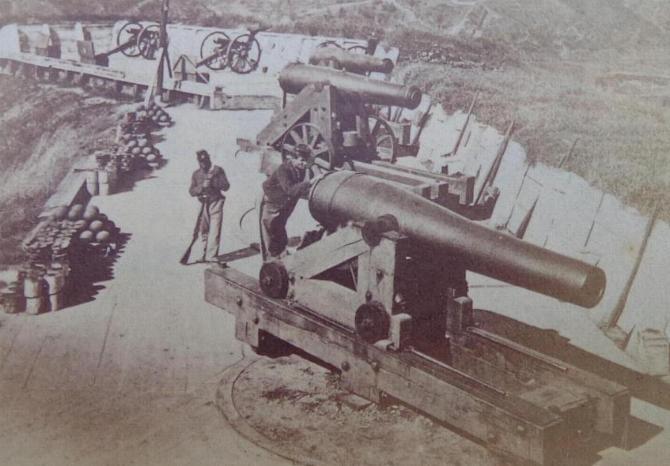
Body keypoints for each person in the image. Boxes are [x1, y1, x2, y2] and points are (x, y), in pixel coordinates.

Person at [260, 145, 312, 260]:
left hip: (285, 202)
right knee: (269, 227)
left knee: (280, 225)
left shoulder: (299, 169)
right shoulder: (283, 169)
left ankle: (281, 252)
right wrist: (309, 183)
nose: (305, 164)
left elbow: (296, 189)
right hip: (272, 201)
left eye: (306, 161)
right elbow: (290, 189)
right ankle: (271, 258)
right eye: (302, 160)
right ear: (292, 158)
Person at [188, 150, 230, 262]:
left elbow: (226, 186)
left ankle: (212, 256)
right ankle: (203, 255)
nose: (204, 164)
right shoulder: (196, 174)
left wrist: (213, 182)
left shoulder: (217, 170)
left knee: (215, 230)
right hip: (202, 203)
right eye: (201, 161)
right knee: (203, 230)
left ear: (209, 159)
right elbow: (191, 191)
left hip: (216, 202)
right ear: (198, 162)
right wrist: (201, 187)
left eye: (206, 160)